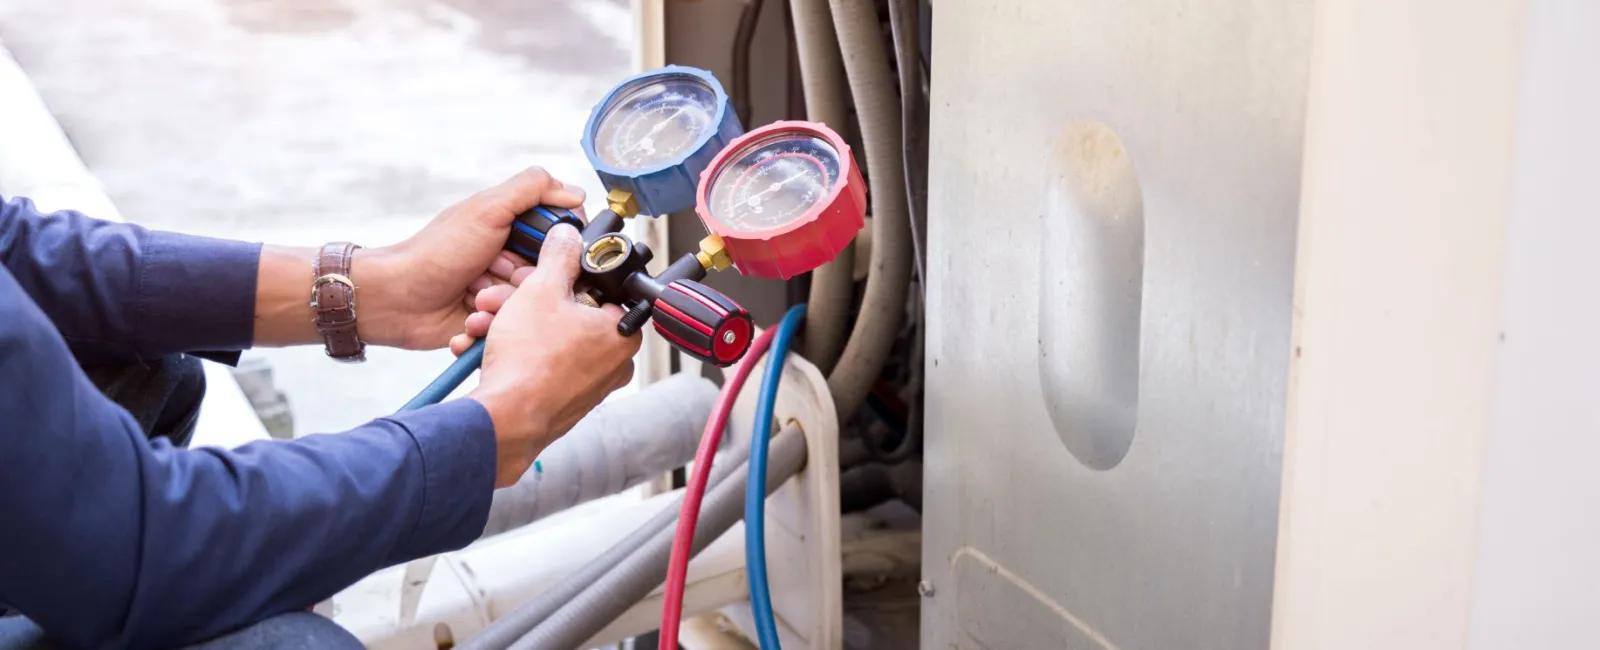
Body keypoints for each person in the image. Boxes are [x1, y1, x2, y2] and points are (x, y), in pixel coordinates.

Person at [0, 168, 641, 650]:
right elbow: (129, 541)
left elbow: (14, 249)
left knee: (147, 366)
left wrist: (379, 287)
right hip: (123, 548)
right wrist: (501, 423)